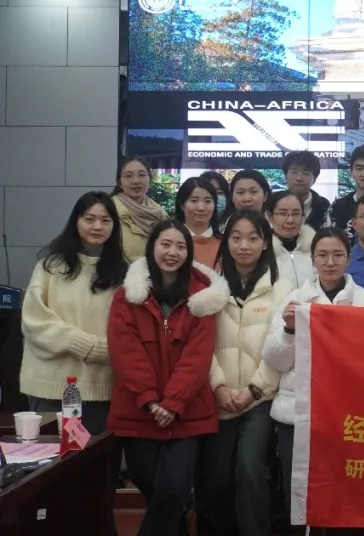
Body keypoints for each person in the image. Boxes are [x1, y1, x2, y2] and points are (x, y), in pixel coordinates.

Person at [108, 219, 227, 536]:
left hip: (186, 411)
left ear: (189, 253)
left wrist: (173, 402)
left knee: (174, 488)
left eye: (180, 246)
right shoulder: (127, 296)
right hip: (138, 408)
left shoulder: (202, 296)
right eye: (165, 244)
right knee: (150, 485)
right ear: (152, 248)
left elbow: (198, 356)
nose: (172, 252)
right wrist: (149, 399)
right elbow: (125, 351)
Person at [262, 228, 364, 499]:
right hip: (297, 412)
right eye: (322, 255)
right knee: (298, 489)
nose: (330, 262)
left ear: (349, 259)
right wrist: (289, 330)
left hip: (346, 415)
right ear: (312, 259)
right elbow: (275, 360)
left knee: (342, 490)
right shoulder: (294, 300)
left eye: (338, 255)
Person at [201, 210, 291, 536]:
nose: (244, 246)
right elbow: (200, 345)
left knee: (251, 468)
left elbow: (284, 347)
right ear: (225, 243)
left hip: (261, 398)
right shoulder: (210, 288)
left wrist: (253, 391)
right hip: (219, 396)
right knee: (216, 476)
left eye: (253, 238)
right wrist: (219, 386)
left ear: (265, 243)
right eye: (236, 238)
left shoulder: (282, 289)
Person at [20, 192, 128, 435]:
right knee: (48, 458)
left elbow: (130, 328)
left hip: (100, 387)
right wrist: (86, 345)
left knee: (93, 457)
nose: (97, 226)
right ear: (76, 221)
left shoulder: (123, 273)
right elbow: (34, 321)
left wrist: (111, 349)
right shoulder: (50, 267)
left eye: (106, 220)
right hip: (50, 385)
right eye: (89, 219)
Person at [112, 156, 168, 263]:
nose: (136, 181)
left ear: (150, 179)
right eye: (128, 176)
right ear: (119, 182)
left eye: (142, 175)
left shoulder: (160, 214)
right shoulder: (109, 210)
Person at [267, 190, 316, 290]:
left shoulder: (316, 249)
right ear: (270, 217)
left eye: (296, 214)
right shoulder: (262, 251)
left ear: (303, 217)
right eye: (283, 213)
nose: (290, 220)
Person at [175, 176, 221, 269]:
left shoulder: (225, 244)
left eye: (208, 201)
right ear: (182, 205)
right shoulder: (170, 240)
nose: (201, 208)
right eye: (194, 200)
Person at [282, 150, 332, 229]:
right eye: (294, 172)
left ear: (314, 179)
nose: (299, 178)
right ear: (286, 177)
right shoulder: (274, 204)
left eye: (306, 173)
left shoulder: (324, 207)